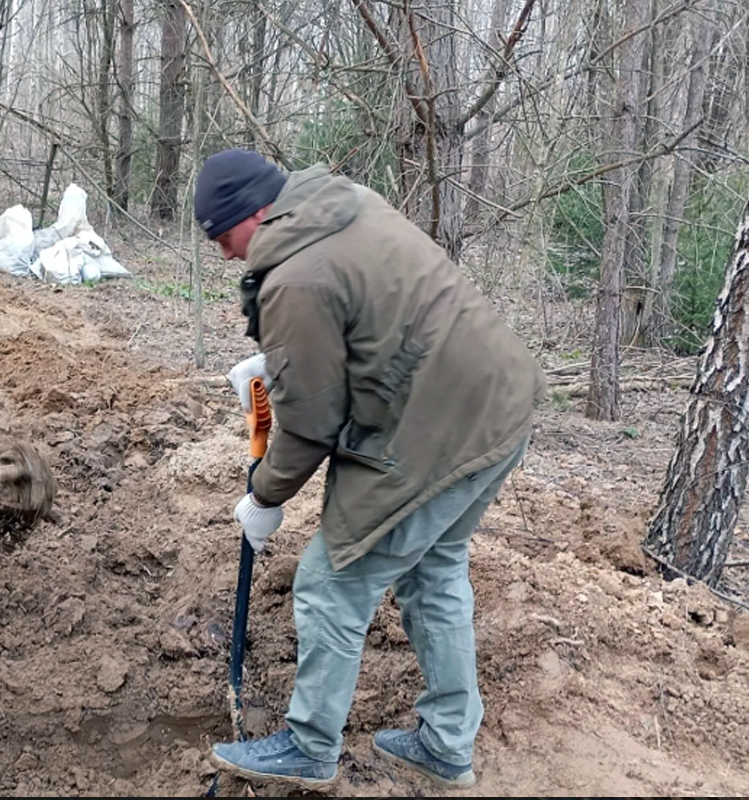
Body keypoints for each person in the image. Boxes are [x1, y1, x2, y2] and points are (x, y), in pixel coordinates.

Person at [196, 149, 546, 789]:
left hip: (433, 427)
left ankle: (309, 746)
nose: (224, 254)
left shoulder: (295, 276)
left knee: (332, 581)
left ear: (255, 212)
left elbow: (311, 425)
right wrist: (279, 372)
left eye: (223, 236)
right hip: (498, 405)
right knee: (434, 570)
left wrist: (266, 495)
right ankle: (446, 743)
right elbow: (362, 329)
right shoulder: (344, 204)